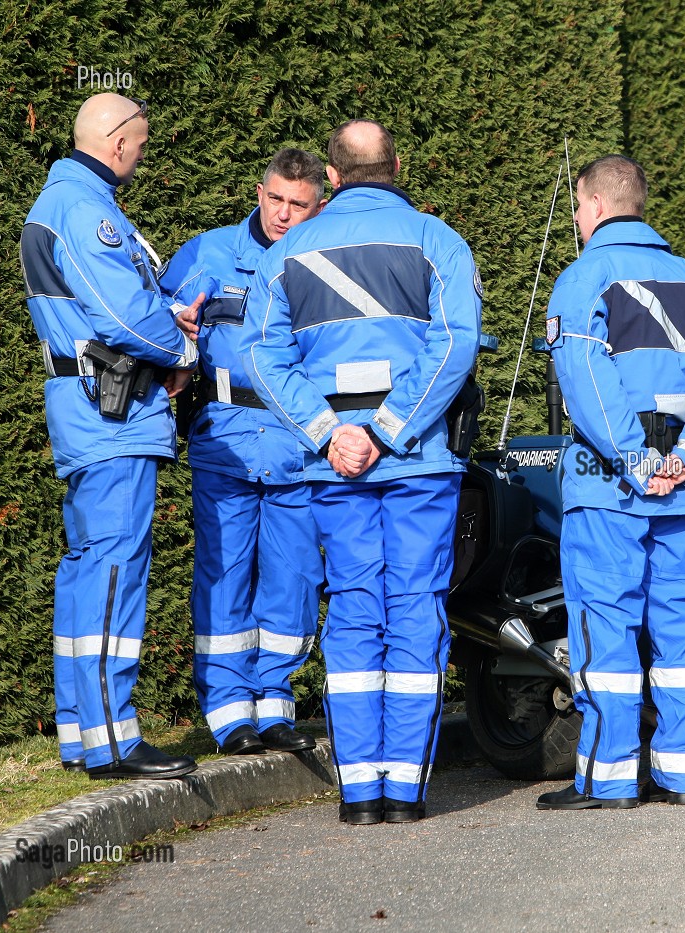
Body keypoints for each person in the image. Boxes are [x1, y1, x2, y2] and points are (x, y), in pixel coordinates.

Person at [244, 120, 481, 825]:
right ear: (397, 167)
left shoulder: (286, 252)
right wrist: (388, 428)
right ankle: (404, 790)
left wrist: (330, 432)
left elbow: (262, 356)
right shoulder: (438, 242)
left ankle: (358, 796)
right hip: (417, 460)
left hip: (334, 466)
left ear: (333, 176)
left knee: (351, 610)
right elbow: (456, 344)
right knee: (414, 609)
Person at [537, 155, 685, 810]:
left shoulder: (583, 281)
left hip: (611, 487)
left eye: (578, 206)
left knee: (606, 626)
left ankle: (608, 781)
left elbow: (585, 377)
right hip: (684, 488)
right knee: (684, 627)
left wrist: (635, 460)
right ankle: (684, 774)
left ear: (597, 205)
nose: (577, 218)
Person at [20, 93, 203, 780]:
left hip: (92, 406)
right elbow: (126, 316)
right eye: (142, 143)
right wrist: (182, 349)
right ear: (118, 141)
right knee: (113, 569)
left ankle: (81, 730)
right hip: (112, 413)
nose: (142, 154)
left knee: (87, 565)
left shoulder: (66, 199)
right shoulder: (86, 208)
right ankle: (112, 740)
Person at [159, 149, 328, 757]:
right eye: (275, 199)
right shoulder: (209, 253)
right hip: (226, 438)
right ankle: (230, 713)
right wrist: (178, 345)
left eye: (298, 204)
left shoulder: (325, 263)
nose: (283, 214)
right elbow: (155, 324)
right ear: (259, 193)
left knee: (295, 575)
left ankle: (275, 701)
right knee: (224, 572)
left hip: (300, 445)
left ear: (320, 205)